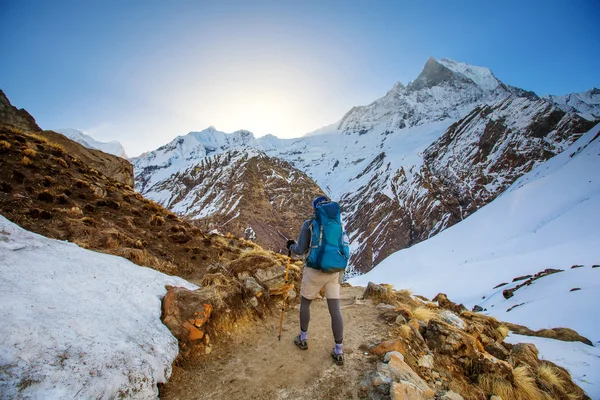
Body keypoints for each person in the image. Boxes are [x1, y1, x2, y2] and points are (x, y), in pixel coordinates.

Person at [286, 195, 346, 365]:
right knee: (335, 310)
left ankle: (303, 338)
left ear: (315, 208)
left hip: (314, 270)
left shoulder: (310, 224)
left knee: (305, 303)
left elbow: (300, 249)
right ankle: (339, 350)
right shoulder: (338, 224)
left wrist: (290, 245)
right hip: (333, 272)